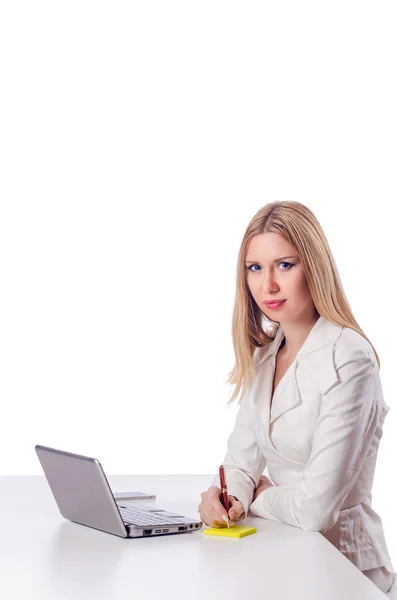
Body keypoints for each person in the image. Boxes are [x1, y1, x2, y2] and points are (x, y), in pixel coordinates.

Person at [198, 201, 396, 598]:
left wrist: (261, 496)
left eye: (284, 265)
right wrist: (228, 498)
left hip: (344, 567)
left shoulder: (349, 357)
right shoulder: (265, 355)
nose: (267, 285)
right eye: (255, 268)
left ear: (314, 267)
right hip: (283, 556)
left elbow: (315, 510)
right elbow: (241, 460)